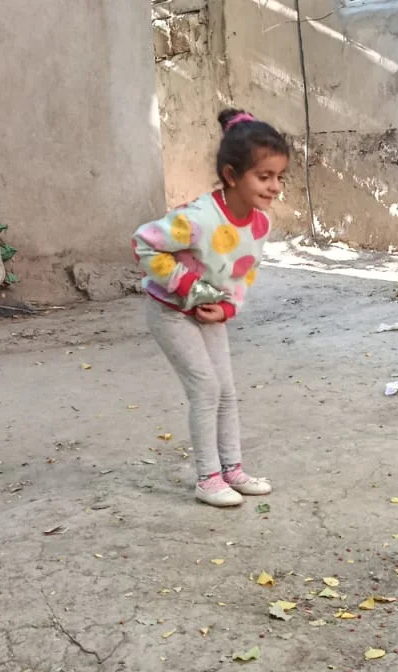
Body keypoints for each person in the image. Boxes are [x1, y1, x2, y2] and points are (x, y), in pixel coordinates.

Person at [132, 109, 290, 508]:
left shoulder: (259, 224)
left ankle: (232, 469)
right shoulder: (198, 218)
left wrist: (228, 309)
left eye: (279, 177)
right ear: (232, 175)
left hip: (210, 311)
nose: (274, 187)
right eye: (264, 177)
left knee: (227, 391)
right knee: (205, 388)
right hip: (170, 310)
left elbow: (244, 273)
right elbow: (144, 242)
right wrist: (185, 285)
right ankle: (208, 478)